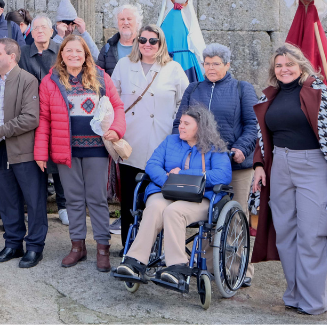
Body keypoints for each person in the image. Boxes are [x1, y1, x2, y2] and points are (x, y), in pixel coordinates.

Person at [251, 44, 327, 316]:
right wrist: (259, 165)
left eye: (289, 64)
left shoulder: (319, 91)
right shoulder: (269, 96)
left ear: (301, 66)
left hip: (315, 166)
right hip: (279, 165)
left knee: (312, 235)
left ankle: (313, 303)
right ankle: (294, 296)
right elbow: (262, 136)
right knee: (285, 233)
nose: (284, 69)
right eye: (279, 65)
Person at [35, 34, 126, 271]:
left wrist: (116, 129)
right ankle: (78, 246)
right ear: (62, 55)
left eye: (78, 51)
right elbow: (44, 119)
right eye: (69, 51)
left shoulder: (101, 77)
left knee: (97, 198)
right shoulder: (50, 81)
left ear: (86, 55)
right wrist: (40, 152)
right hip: (66, 150)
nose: (74, 55)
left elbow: (117, 106)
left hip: (97, 149)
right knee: (73, 199)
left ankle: (102, 248)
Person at [172, 42, 259, 284]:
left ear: (227, 65)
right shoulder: (193, 89)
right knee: (208, 216)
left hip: (236, 166)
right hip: (200, 165)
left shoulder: (242, 88)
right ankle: (210, 267)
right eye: (207, 63)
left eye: (216, 63)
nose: (211, 68)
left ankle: (240, 270)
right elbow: (179, 123)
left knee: (235, 217)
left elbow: (253, 125)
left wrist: (241, 148)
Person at [115, 105, 232, 284]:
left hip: (199, 197)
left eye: (186, 123)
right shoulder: (170, 141)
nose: (181, 126)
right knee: (154, 208)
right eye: (180, 122)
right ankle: (135, 262)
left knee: (174, 211)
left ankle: (177, 268)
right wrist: (169, 181)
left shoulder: (214, 147)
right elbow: (152, 165)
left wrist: (184, 175)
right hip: (165, 191)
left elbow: (223, 175)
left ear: (200, 127)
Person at [110, 24, 189, 245]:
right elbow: (113, 99)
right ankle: (128, 246)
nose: (147, 44)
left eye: (153, 41)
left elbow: (185, 102)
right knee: (129, 198)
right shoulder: (124, 65)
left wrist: (176, 128)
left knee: (156, 198)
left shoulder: (173, 68)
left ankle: (153, 247)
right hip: (130, 142)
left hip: (161, 140)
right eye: (143, 40)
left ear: (161, 43)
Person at [0, 39, 45, 268]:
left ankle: (35, 247)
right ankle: (13, 244)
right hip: (0, 150)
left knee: (34, 201)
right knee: (8, 201)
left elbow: (31, 118)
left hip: (25, 151)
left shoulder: (28, 80)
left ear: (12, 57)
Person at [18, 15, 69, 226]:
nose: (40, 31)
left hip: (57, 111)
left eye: (44, 27)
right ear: (31, 32)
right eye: (36, 27)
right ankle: (34, 206)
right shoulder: (22, 53)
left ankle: (63, 205)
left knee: (58, 159)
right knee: (34, 161)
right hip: (31, 112)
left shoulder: (61, 51)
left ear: (51, 31)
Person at [156, 0, 206, 82]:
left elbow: (195, 37)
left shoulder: (186, 18)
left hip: (186, 59)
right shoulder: (168, 18)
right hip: (166, 58)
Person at [97, 4, 142, 76]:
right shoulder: (107, 49)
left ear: (137, 23)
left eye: (129, 19)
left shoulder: (145, 47)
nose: (125, 22)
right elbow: (99, 76)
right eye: (122, 19)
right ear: (117, 23)